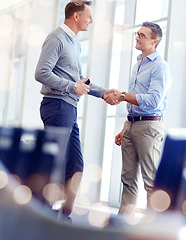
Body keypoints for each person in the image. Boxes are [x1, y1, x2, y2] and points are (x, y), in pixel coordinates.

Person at [35, 0, 117, 220]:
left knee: (75, 165)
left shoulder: (75, 42)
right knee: (56, 164)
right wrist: (72, 86)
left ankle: (62, 216)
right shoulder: (56, 38)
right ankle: (45, 214)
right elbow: (41, 73)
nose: (91, 20)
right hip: (57, 105)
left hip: (68, 107)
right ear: (76, 16)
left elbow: (78, 82)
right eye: (89, 16)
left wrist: (103, 92)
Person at [109, 22, 172, 215]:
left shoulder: (160, 67)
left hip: (149, 127)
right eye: (137, 33)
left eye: (142, 35)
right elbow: (137, 101)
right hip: (132, 124)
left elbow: (153, 100)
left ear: (154, 41)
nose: (137, 37)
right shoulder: (138, 64)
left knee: (151, 181)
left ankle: (155, 229)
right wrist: (126, 127)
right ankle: (122, 226)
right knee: (127, 180)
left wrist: (122, 95)